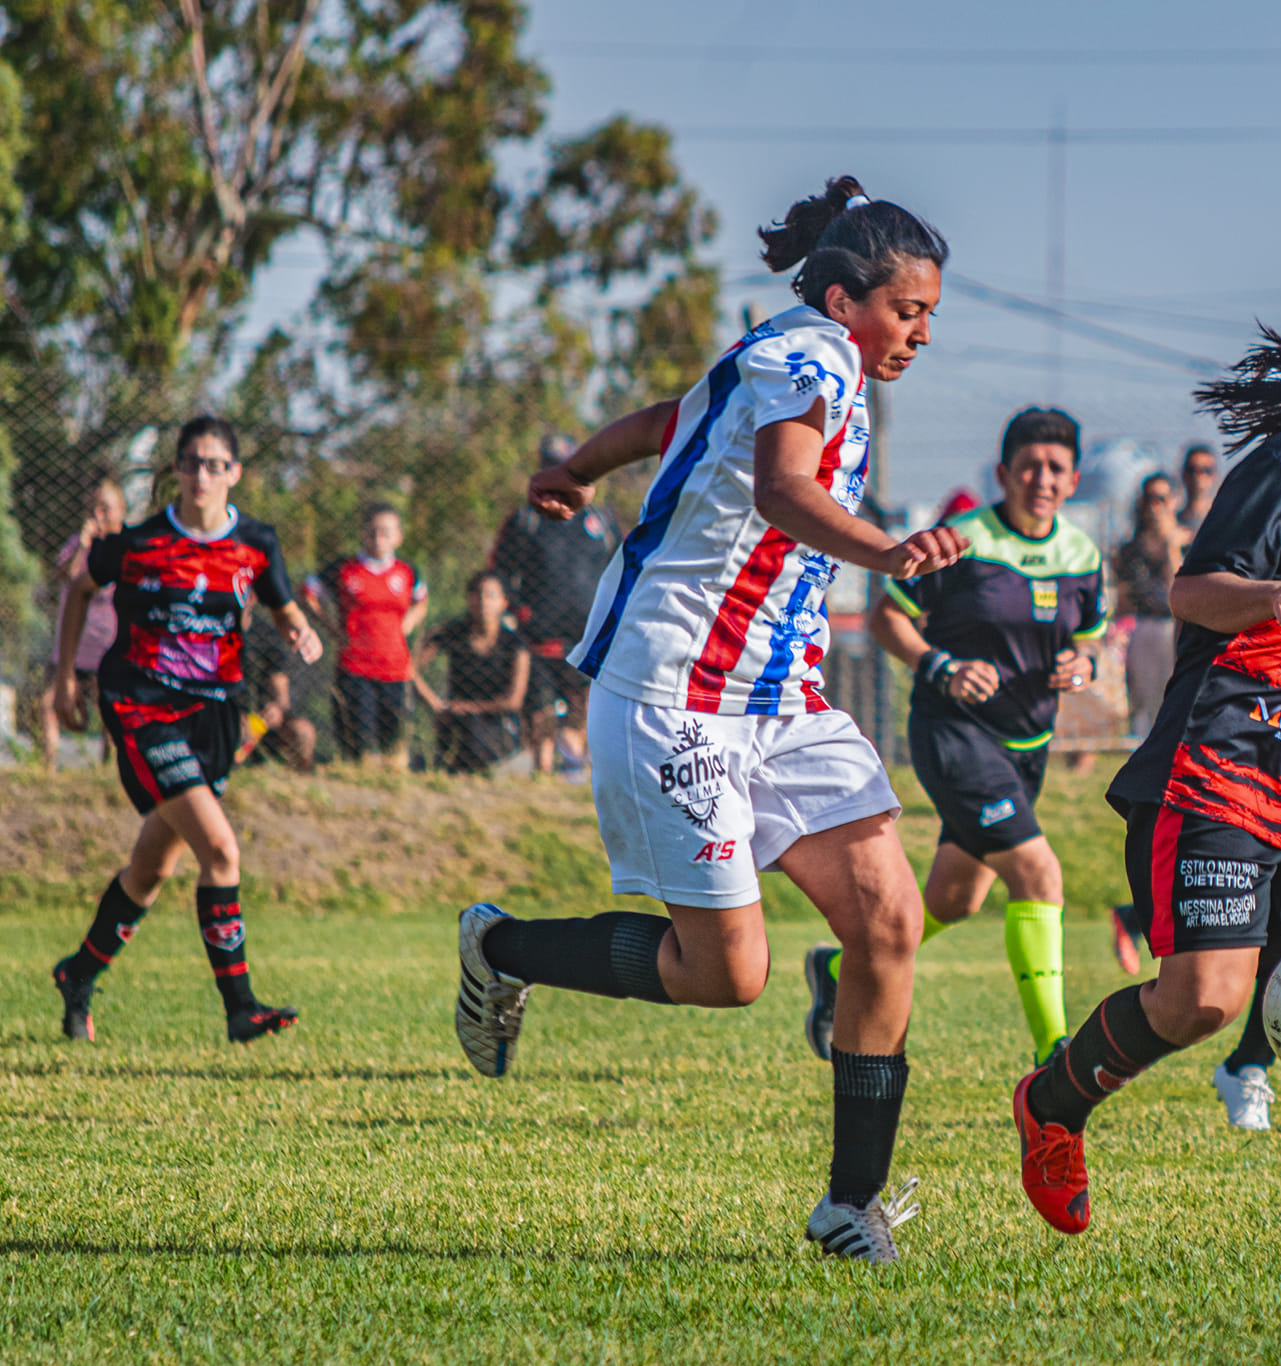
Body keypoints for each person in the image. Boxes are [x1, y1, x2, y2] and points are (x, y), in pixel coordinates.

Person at [449, 177, 960, 1266]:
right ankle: (501, 948)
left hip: (781, 696)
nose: (920, 331)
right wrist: (888, 550)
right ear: (842, 296)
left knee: (886, 923)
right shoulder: (815, 354)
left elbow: (664, 421)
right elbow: (781, 490)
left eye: (927, 314)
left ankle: (847, 1210)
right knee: (727, 973)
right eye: (906, 310)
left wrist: (577, 469)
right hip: (676, 688)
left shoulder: (792, 356)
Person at [1010, 286, 1281, 1268]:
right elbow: (1189, 590)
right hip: (1227, 765)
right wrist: (1270, 597)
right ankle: (1050, 1102)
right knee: (1201, 1000)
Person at [801, 407, 1104, 1068]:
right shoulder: (961, 539)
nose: (1041, 478)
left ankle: (832, 972)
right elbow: (887, 618)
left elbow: (1090, 636)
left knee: (955, 898)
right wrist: (939, 665)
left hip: (1027, 748)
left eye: (1055, 467)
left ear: (1074, 478)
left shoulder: (1083, 556)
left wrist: (1086, 665)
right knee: (1037, 874)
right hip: (954, 735)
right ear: (1003, 472)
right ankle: (1055, 1050)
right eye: (1029, 465)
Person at [48, 416, 319, 1044]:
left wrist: (300, 629)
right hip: (143, 707)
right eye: (191, 462)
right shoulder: (138, 541)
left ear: (235, 473)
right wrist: (66, 679)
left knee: (150, 868)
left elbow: (281, 604)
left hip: (215, 715)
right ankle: (240, 1007)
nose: (202, 475)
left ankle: (79, 972)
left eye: (215, 464)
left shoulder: (256, 541)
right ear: (175, 469)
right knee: (220, 851)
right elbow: (79, 591)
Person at [492, 436, 622, 779]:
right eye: (551, 465)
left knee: (587, 707)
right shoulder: (525, 520)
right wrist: (518, 612)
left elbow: (624, 567)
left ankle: (581, 771)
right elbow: (500, 574)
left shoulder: (602, 521)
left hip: (591, 635)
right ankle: (544, 774)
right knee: (541, 708)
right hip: (539, 636)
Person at [304, 503, 428, 767]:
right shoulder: (345, 569)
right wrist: (331, 628)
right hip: (355, 666)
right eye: (372, 532)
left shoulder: (407, 572)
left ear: (398, 536)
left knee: (393, 747)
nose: (378, 539)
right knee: (358, 744)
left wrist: (407, 625)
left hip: (396, 669)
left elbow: (422, 601)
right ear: (363, 533)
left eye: (385, 532)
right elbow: (308, 593)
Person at [38, 480, 127, 770]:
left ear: (122, 511)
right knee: (47, 704)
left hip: (108, 645)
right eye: (92, 508)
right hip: (74, 648)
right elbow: (66, 576)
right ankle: (46, 767)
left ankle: (106, 770)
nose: (98, 515)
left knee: (110, 711)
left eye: (105, 508)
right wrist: (83, 546)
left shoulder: (127, 549)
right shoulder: (78, 543)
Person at [413, 571, 530, 775]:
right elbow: (408, 668)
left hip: (496, 719)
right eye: (477, 594)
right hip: (456, 718)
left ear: (504, 602)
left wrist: (471, 708)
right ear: (468, 599)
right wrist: (435, 703)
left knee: (476, 733)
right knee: (464, 731)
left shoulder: (515, 644)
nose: (483, 601)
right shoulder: (454, 633)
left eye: (490, 595)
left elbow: (514, 701)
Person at [1114, 472, 1190, 737]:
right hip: (1142, 628)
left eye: (1161, 499)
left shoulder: (1188, 541)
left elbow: (1179, 589)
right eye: (1149, 499)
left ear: (1174, 500)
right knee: (1145, 701)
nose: (1155, 507)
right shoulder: (1131, 549)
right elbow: (1122, 598)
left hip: (1176, 626)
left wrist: (1171, 545)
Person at [239, 610, 320, 772]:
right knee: (237, 728)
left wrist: (279, 708)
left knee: (303, 732)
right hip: (230, 715)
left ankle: (300, 782)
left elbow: (278, 679)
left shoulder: (266, 633)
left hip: (264, 719)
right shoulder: (213, 631)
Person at [1177, 442, 1220, 533]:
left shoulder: (1223, 520)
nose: (1198, 477)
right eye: (1192, 470)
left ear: (1215, 476)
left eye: (1206, 470)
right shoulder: (1172, 523)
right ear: (1183, 474)